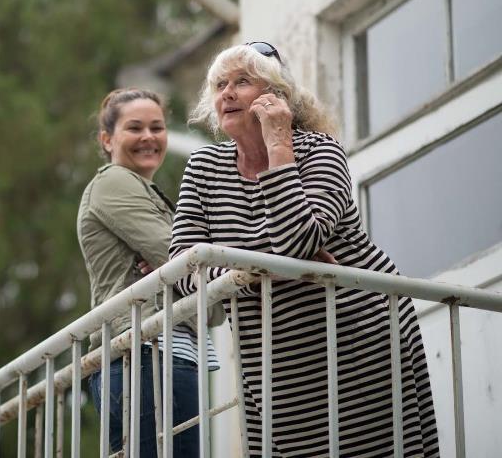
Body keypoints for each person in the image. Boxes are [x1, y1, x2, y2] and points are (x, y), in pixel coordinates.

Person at [170, 43, 439, 457]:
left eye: (242, 81)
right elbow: (183, 268)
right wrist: (261, 271)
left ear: (276, 97)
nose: (227, 93)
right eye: (219, 84)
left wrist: (279, 147)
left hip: (355, 338)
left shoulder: (320, 151)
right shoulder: (204, 169)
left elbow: (297, 240)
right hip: (272, 361)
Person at [78, 88, 221, 458]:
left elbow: (211, 299)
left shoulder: (146, 191)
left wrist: (182, 275)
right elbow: (190, 269)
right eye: (135, 127)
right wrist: (186, 276)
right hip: (146, 354)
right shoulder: (114, 182)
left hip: (158, 354)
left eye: (157, 128)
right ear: (107, 139)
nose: (148, 137)